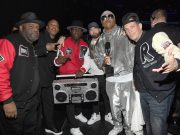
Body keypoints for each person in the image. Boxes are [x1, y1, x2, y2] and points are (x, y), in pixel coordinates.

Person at [122, 11, 180, 135]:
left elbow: (175, 52)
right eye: (126, 29)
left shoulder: (155, 36)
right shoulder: (137, 44)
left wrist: (176, 63)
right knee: (148, 126)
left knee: (157, 130)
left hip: (160, 94)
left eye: (132, 27)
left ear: (140, 26)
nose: (129, 31)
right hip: (145, 93)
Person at [94, 10, 144, 135]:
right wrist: (104, 62)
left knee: (128, 109)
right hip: (110, 78)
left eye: (110, 16)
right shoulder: (100, 40)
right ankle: (117, 126)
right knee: (114, 106)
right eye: (103, 17)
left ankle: (128, 129)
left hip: (127, 76)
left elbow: (137, 42)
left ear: (115, 18)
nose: (107, 18)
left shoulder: (124, 33)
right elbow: (98, 60)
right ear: (101, 21)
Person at [0, 12, 44, 135]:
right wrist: (7, 100)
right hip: (15, 104)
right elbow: (0, 71)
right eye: (31, 26)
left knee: (30, 130)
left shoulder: (31, 46)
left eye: (37, 27)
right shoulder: (9, 41)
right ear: (21, 27)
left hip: (31, 103)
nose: (35, 29)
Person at [54, 20, 88, 135]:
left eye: (79, 29)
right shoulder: (63, 42)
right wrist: (59, 61)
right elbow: (56, 61)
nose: (76, 31)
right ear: (70, 30)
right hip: (66, 77)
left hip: (78, 76)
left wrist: (83, 70)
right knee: (70, 102)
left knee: (78, 97)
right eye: (74, 29)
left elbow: (87, 61)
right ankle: (73, 127)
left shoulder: (84, 45)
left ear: (82, 32)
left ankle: (78, 114)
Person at [36, 19, 63, 135]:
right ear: (46, 27)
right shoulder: (38, 36)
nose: (54, 27)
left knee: (48, 105)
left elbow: (54, 62)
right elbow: (32, 52)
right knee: (35, 108)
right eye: (52, 25)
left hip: (49, 79)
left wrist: (59, 61)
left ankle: (50, 126)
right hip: (35, 80)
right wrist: (45, 48)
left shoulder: (56, 41)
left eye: (56, 26)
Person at [83, 22, 113, 125]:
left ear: (99, 30)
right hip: (93, 74)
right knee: (93, 95)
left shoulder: (107, 40)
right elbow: (87, 59)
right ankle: (96, 114)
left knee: (107, 96)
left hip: (105, 74)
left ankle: (108, 114)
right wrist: (83, 69)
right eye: (91, 29)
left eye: (95, 28)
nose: (93, 31)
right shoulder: (88, 43)